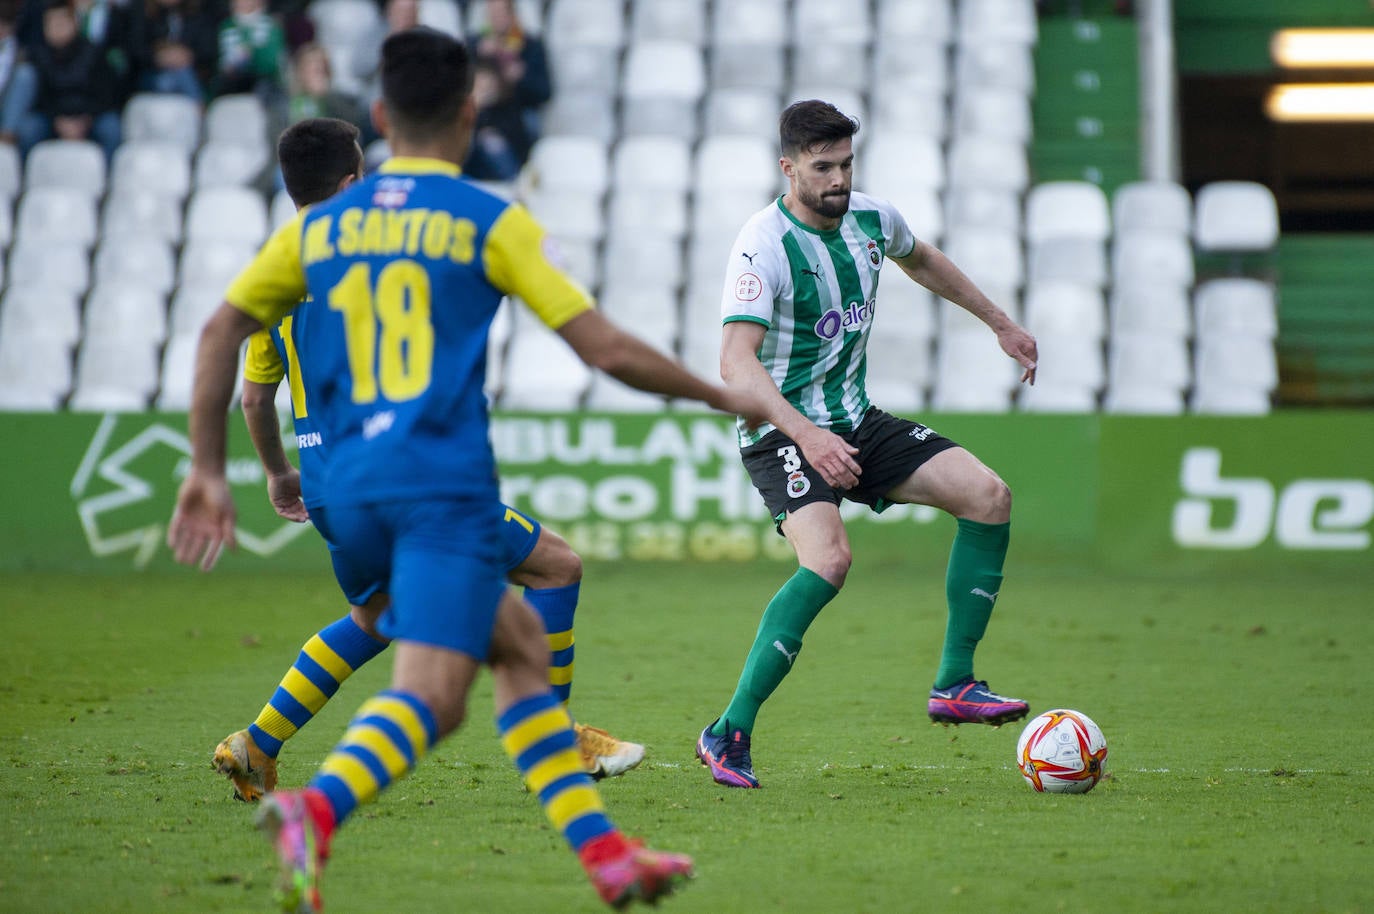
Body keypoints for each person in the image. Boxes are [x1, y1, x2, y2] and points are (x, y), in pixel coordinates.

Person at [167, 27, 766, 911]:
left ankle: (605, 856)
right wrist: (721, 396)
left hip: (349, 493)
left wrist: (209, 471)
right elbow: (600, 346)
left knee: (516, 640)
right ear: (470, 111)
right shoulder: (488, 221)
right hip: (435, 487)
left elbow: (222, 332)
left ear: (381, 115)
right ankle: (315, 811)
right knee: (437, 699)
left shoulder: (318, 232)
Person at [213, 116, 645, 806]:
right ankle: (557, 742)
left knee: (377, 618)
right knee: (555, 565)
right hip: (405, 478)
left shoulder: (281, 266)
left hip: (329, 488)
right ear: (354, 181)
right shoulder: (378, 260)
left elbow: (254, 400)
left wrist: (277, 472)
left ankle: (257, 744)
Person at [694, 99, 1039, 790]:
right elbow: (736, 364)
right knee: (829, 561)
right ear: (788, 168)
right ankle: (728, 730)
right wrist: (806, 433)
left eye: (846, 164)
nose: (838, 180)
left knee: (988, 495)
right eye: (822, 168)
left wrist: (1001, 324)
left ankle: (954, 684)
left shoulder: (873, 219)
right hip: (780, 430)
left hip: (855, 420)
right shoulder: (762, 245)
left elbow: (925, 260)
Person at [17, 0, 121, 160]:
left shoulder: (94, 53)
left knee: (111, 127)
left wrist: (84, 119)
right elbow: (39, 98)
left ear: (74, 23)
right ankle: (23, 177)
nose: (56, 28)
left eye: (61, 22)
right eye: (50, 23)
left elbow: (105, 96)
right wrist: (58, 120)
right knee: (29, 128)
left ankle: (110, 179)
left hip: (89, 116)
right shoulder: (37, 57)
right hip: (53, 118)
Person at [465, 0, 548, 172]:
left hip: (513, 117)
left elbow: (544, 92)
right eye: (493, 13)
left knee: (496, 145)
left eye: (501, 13)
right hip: (478, 117)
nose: (497, 19)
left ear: (512, 15)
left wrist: (520, 76)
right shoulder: (474, 45)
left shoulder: (528, 46)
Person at [141, 0, 219, 101]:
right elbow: (137, 49)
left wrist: (187, 55)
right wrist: (160, 57)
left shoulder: (198, 15)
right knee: (166, 82)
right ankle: (198, 105)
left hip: (190, 71)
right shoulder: (145, 14)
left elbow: (207, 50)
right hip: (152, 72)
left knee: (181, 73)